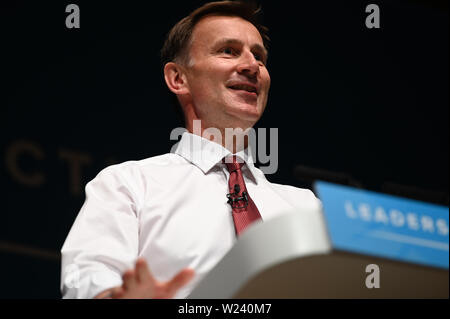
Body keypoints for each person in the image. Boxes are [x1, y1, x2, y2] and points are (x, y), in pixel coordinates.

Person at [60, 0, 321, 299]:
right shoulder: (130, 184)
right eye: (229, 51)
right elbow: (87, 279)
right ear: (178, 78)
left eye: (259, 57)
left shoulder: (306, 208)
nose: (252, 67)